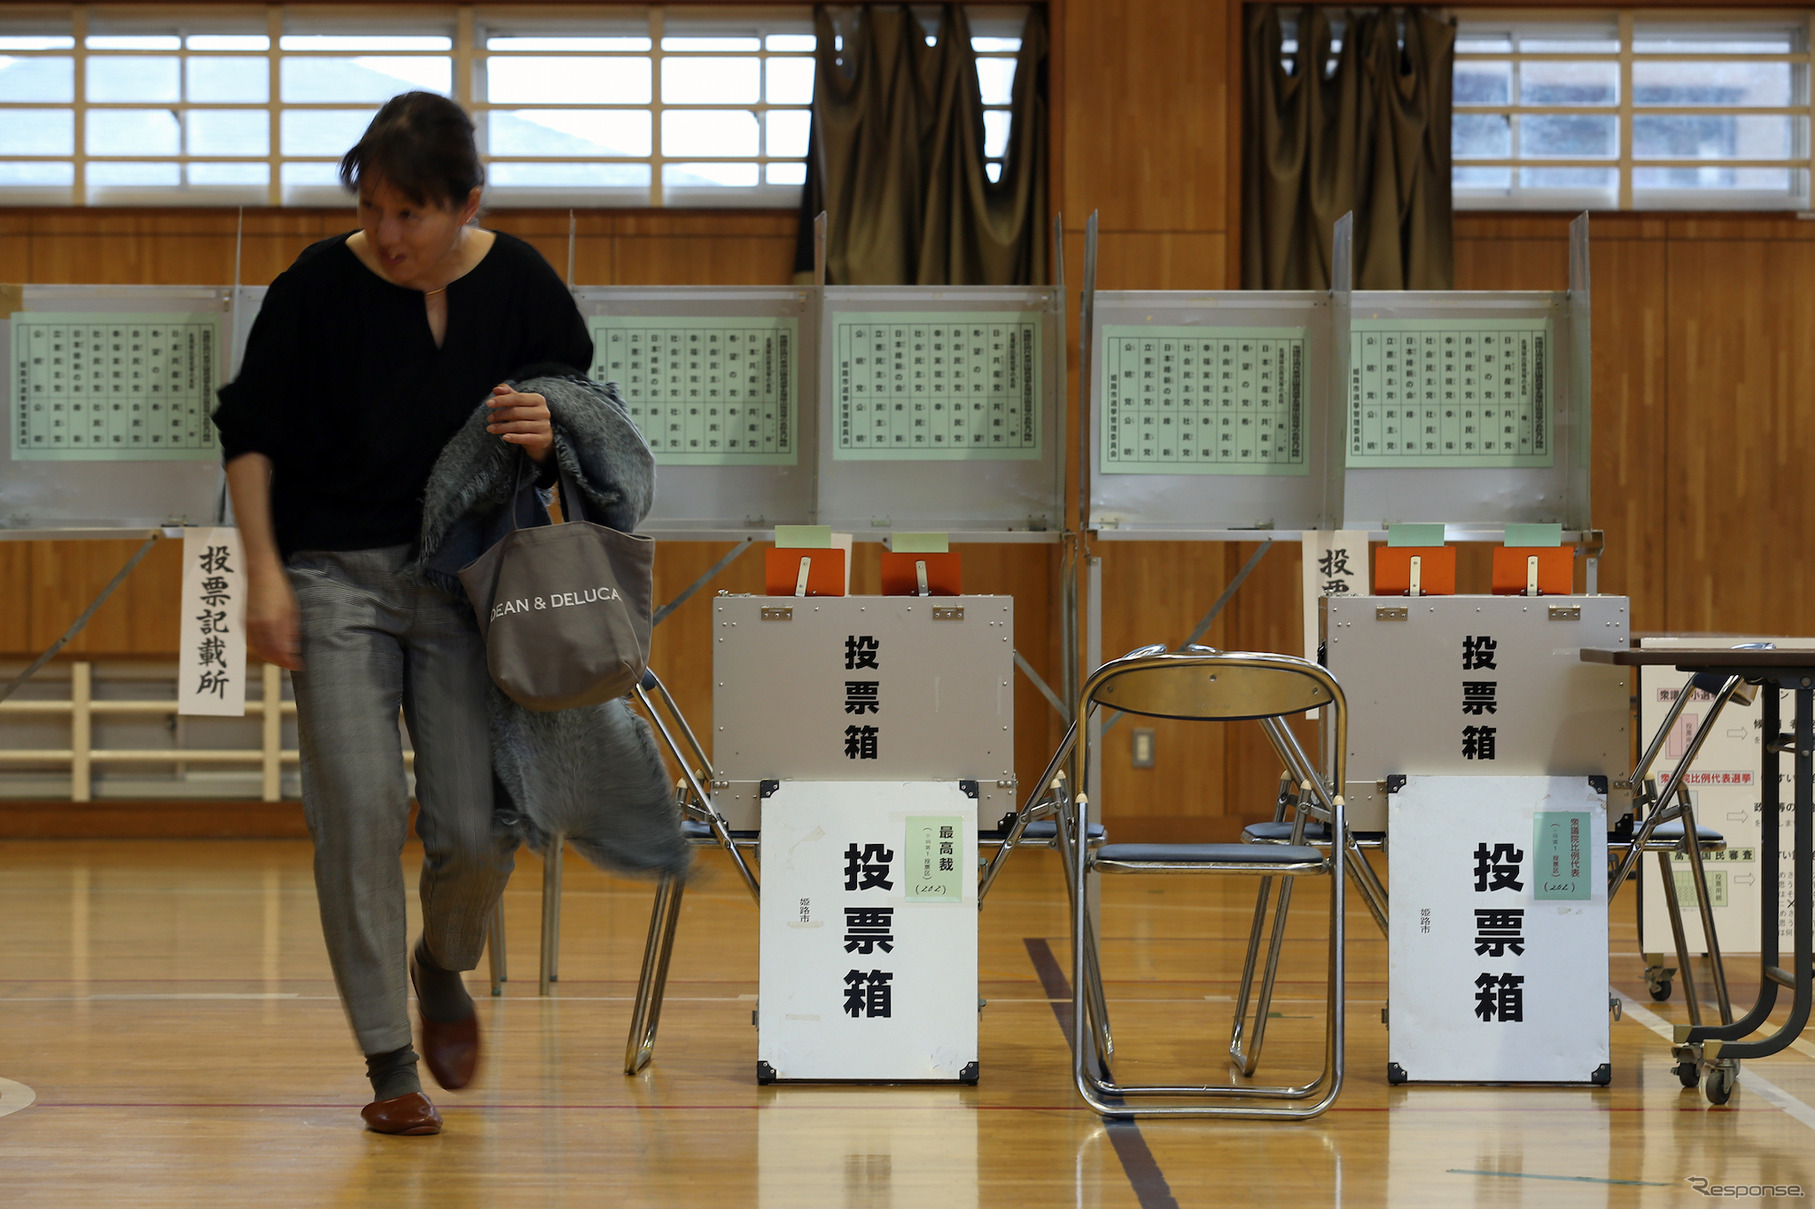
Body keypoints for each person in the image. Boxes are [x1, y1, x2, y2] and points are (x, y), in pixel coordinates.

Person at [213, 91, 593, 1136]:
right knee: (360, 812)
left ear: (469, 203)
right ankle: (388, 1062)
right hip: (335, 578)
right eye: (373, 208)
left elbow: (581, 415)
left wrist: (542, 426)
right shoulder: (315, 289)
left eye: (412, 215)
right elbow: (247, 435)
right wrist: (266, 575)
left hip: (467, 589)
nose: (386, 235)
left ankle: (441, 965)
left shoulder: (520, 283)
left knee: (475, 834)